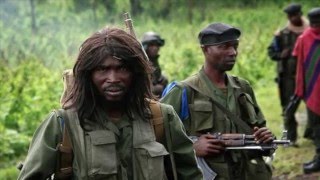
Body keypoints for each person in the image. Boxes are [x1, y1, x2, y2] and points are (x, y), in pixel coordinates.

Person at [18, 27, 203, 180]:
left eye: (122, 68)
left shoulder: (161, 118)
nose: (113, 78)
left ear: (135, 73)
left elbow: (190, 174)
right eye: (102, 69)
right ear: (88, 76)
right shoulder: (63, 124)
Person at [161, 22, 274, 180]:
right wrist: (192, 147)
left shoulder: (242, 88)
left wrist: (265, 138)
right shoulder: (183, 91)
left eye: (235, 46)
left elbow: (260, 130)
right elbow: (156, 139)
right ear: (205, 49)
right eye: (225, 47)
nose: (233, 52)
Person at [267, 3, 309, 146]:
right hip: (289, 79)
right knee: (289, 109)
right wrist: (281, 55)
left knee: (315, 108)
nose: (292, 18)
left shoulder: (310, 31)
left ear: (300, 14)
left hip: (309, 77)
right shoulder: (282, 34)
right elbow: (271, 52)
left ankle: (315, 137)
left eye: (295, 15)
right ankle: (291, 139)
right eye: (290, 16)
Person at [291, 7, 320, 174]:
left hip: (312, 91)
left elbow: (300, 67)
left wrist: (300, 89)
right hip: (313, 91)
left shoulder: (304, 37)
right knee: (316, 126)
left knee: (317, 126)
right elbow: (301, 65)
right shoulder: (304, 38)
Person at [141, 31, 168, 97]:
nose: (155, 48)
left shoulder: (154, 60)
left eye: (157, 45)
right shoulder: (141, 61)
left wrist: (162, 79)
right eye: (152, 45)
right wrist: (156, 89)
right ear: (146, 47)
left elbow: (156, 76)